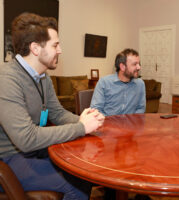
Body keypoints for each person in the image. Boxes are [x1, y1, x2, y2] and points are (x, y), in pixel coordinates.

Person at [0, 13, 105, 200]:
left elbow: (56, 113)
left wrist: (88, 120)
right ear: (35, 49)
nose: (60, 50)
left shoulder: (42, 77)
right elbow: (27, 138)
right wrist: (81, 127)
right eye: (55, 45)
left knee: (85, 168)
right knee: (77, 183)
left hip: (33, 151)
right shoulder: (7, 80)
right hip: (8, 158)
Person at [91, 48, 146, 116]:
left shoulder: (140, 84)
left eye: (139, 64)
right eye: (135, 64)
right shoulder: (104, 83)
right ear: (122, 67)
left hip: (131, 125)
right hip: (108, 124)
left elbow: (141, 108)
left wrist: (133, 122)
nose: (139, 67)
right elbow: (96, 110)